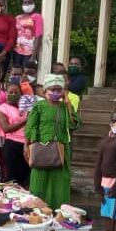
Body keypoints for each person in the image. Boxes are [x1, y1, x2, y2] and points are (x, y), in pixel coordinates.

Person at [25, 74, 80, 210]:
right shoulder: (39, 106)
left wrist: (68, 104)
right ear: (45, 90)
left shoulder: (64, 107)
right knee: (39, 184)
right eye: (52, 90)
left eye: (58, 90)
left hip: (61, 151)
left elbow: (74, 125)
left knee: (60, 185)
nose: (55, 93)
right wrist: (27, 146)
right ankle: (37, 213)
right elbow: (30, 127)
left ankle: (57, 214)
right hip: (41, 151)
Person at [0, 82, 30, 186]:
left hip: (27, 144)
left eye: (16, 92)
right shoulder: (2, 109)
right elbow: (6, 128)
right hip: (12, 145)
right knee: (12, 176)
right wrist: (25, 121)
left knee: (25, 175)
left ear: (20, 94)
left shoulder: (25, 108)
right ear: (6, 93)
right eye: (11, 92)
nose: (13, 94)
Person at [12, 0, 43, 68]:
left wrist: (33, 56)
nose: (27, 4)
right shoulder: (17, 18)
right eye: (25, 2)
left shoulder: (37, 17)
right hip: (16, 52)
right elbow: (13, 35)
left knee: (27, 75)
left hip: (29, 53)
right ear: (22, 4)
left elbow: (38, 36)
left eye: (30, 2)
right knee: (16, 74)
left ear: (34, 4)